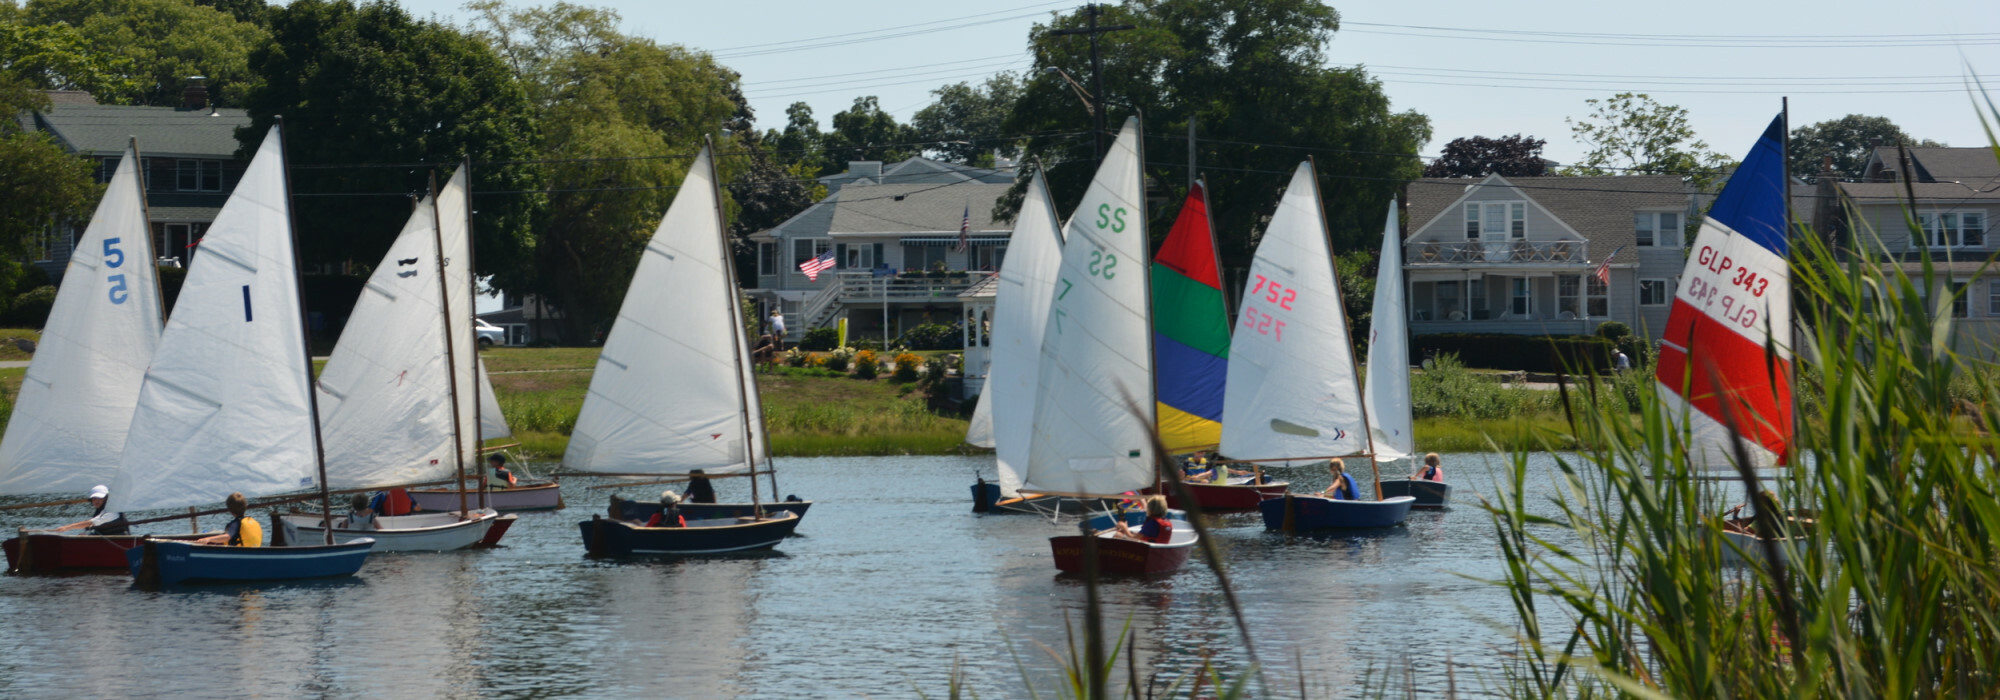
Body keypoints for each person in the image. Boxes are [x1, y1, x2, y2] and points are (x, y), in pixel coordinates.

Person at [53, 485, 128, 536]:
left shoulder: (112, 512)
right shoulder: (101, 511)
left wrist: (66, 527)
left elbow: (90, 523)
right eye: (94, 499)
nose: (96, 501)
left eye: (100, 498)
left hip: (119, 541)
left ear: (106, 498)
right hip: (106, 541)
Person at [197, 492, 262, 547]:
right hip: (253, 555)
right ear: (245, 506)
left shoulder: (236, 523)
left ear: (230, 510)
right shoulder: (255, 522)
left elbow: (227, 537)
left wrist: (208, 539)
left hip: (239, 556)